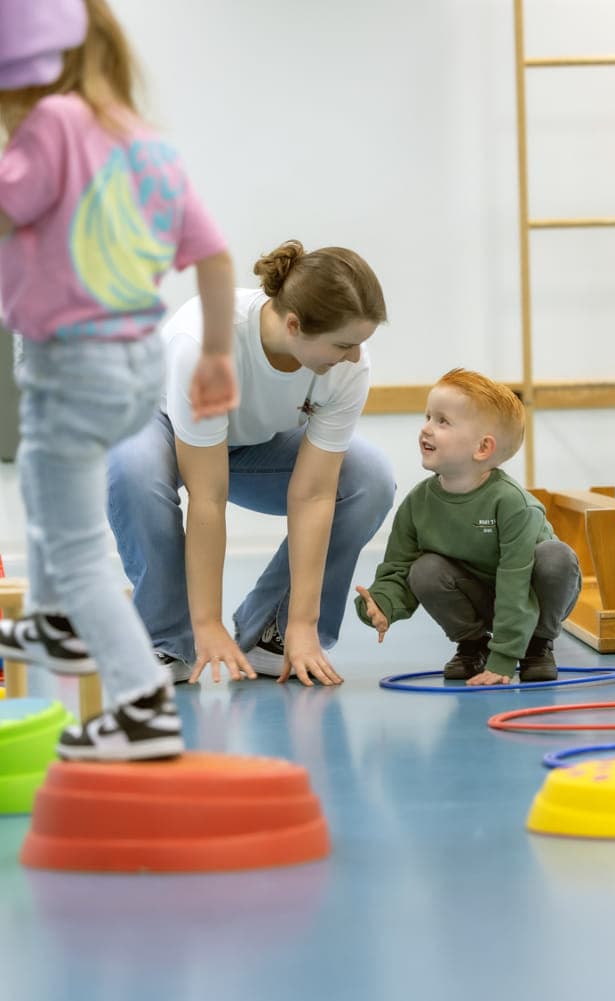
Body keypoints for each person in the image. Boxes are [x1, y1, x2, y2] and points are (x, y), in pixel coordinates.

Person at [0, 0, 238, 759]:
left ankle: (143, 708)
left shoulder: (53, 125)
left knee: (73, 545)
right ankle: (54, 617)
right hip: (135, 366)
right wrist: (216, 357)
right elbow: (214, 253)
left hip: (71, 366)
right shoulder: (147, 145)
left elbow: (11, 203)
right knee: (43, 485)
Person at [107, 239, 395, 689]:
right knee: (130, 468)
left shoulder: (347, 366)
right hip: (159, 425)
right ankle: (169, 640)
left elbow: (315, 493)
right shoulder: (206, 345)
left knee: (368, 479)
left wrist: (303, 621)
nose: (355, 356)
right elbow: (208, 496)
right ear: (295, 325)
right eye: (343, 344)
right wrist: (207, 623)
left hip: (250, 442)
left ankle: (273, 633)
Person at [355, 368, 582, 685]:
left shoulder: (513, 504)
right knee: (424, 569)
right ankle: (472, 645)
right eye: (428, 417)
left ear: (482, 448)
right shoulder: (418, 504)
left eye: (442, 421)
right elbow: (399, 565)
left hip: (527, 593)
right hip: (477, 598)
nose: (426, 429)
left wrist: (504, 659)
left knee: (556, 557)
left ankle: (537, 645)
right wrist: (383, 604)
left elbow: (516, 581)